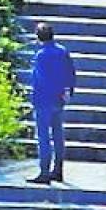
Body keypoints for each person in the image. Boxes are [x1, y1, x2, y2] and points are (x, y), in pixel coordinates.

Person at [28, 23, 75, 185]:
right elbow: (71, 73)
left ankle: (44, 171)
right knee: (58, 135)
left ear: (38, 37)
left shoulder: (41, 55)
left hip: (43, 99)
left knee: (43, 137)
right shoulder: (63, 51)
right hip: (59, 99)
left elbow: (40, 79)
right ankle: (58, 169)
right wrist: (67, 91)